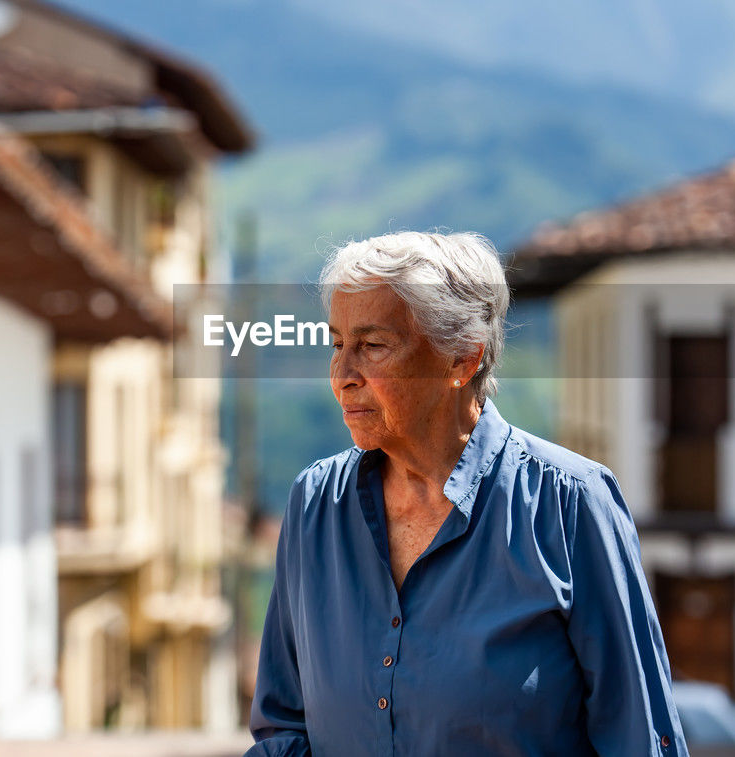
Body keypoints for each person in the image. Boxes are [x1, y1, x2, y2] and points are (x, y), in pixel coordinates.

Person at [247, 230, 688, 756]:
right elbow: (284, 728)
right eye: (338, 345)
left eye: (373, 346)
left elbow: (639, 738)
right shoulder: (315, 506)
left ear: (462, 360)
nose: (343, 375)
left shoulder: (571, 506)